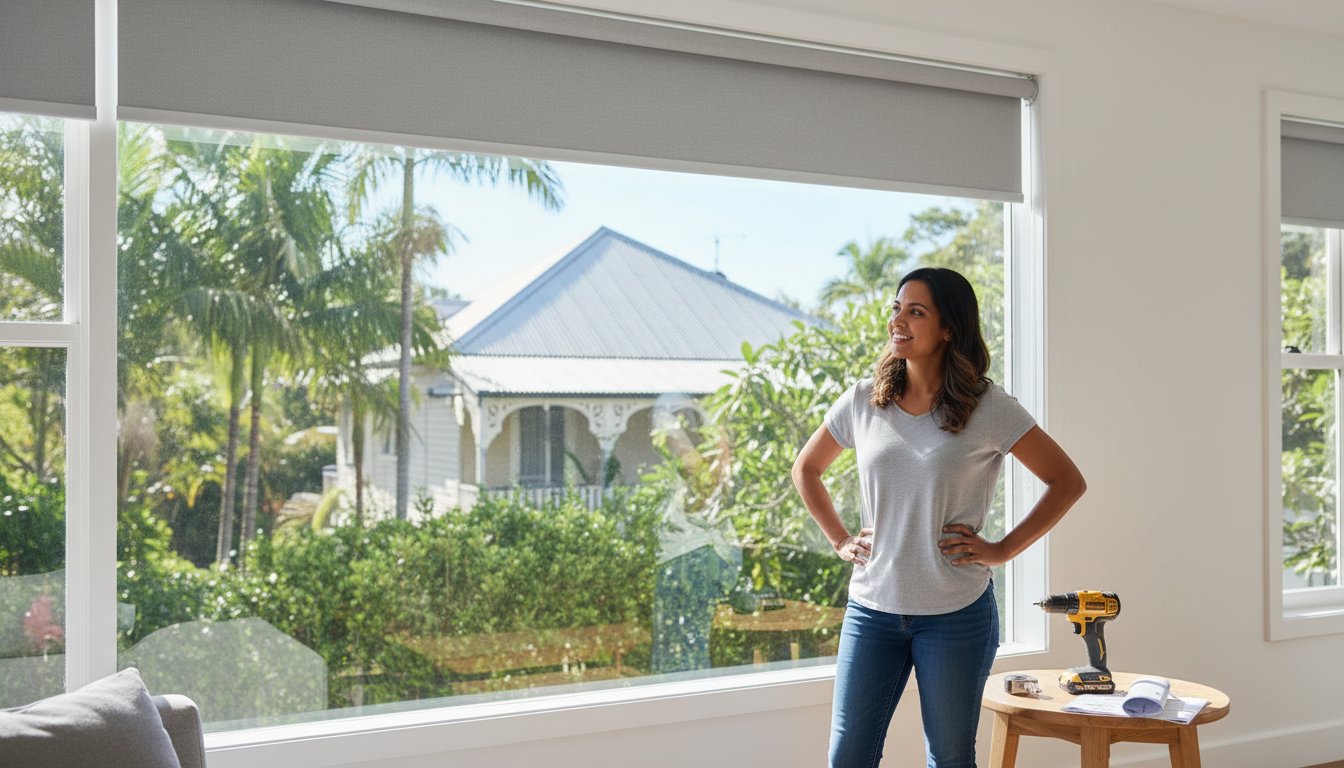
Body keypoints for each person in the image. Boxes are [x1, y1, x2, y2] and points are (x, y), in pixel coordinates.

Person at [791, 267, 1086, 768]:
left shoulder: (988, 407)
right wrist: (841, 540)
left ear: (949, 328)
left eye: (916, 311)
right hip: (872, 610)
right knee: (848, 757)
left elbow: (1067, 481)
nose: (897, 320)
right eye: (896, 308)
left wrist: (1002, 549)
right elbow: (807, 469)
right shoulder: (865, 399)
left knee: (949, 759)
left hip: (956, 615)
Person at [650, 393, 741, 674]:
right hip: (680, 567)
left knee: (691, 646)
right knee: (678, 645)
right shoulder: (687, 486)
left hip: (699, 565)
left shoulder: (708, 480)